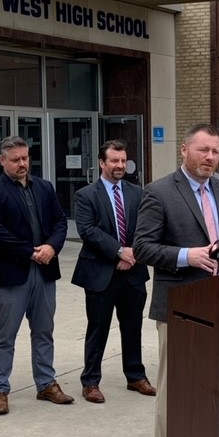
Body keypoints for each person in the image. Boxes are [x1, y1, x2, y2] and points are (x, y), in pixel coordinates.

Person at [134, 123, 219, 437]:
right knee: (176, 389)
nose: (210, 158)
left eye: (215, 151)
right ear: (184, 150)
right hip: (181, 306)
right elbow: (142, 247)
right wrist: (188, 255)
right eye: (203, 150)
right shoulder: (158, 192)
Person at [0, 135, 73, 416]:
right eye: (16, 159)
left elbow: (59, 221)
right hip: (11, 273)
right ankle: (0, 390)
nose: (23, 164)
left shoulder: (43, 187)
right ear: (2, 160)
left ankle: (46, 383)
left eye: (26, 158)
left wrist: (52, 247)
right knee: (5, 334)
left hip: (44, 270)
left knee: (44, 330)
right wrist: (30, 251)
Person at [71, 139, 154, 404]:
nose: (120, 166)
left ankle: (135, 376)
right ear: (102, 163)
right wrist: (120, 252)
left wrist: (132, 255)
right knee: (98, 327)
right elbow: (88, 230)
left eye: (123, 161)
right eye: (114, 161)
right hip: (100, 273)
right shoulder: (85, 195)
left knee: (133, 326)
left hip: (132, 272)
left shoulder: (137, 193)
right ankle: (91, 381)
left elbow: (146, 228)